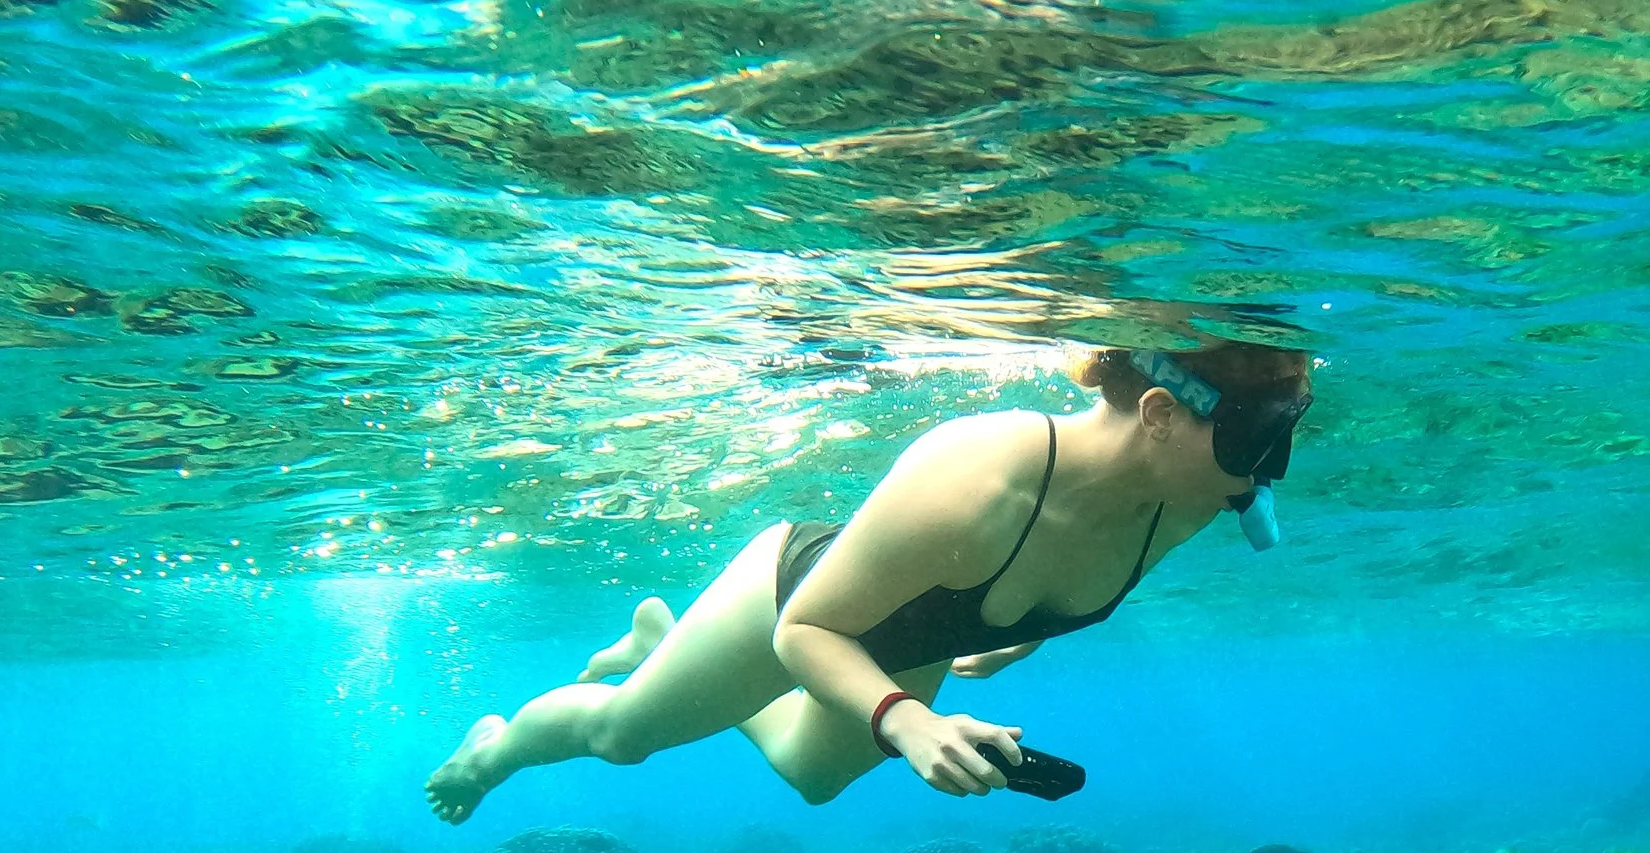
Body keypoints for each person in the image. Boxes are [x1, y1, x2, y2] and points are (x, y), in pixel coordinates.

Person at [424, 340, 1312, 820]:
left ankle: (668, 640)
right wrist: (905, 718)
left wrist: (1011, 639)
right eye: (1257, 438)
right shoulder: (979, 472)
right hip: (804, 598)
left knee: (813, 779)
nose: (1271, 469)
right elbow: (806, 631)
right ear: (1159, 415)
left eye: (1288, 427)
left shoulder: (1193, 493)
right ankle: (491, 751)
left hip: (923, 628)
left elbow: (1075, 566)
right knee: (623, 733)